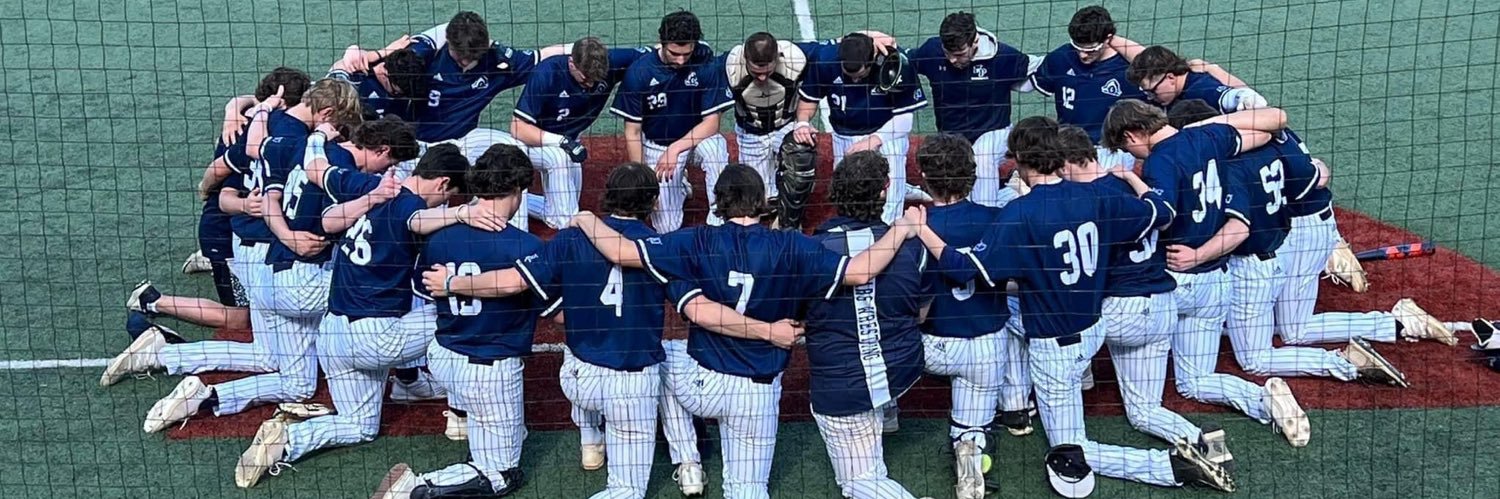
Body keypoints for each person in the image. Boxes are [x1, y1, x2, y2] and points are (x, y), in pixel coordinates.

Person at [918, 116, 1232, 496]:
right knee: (1017, 320)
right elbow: (1160, 214)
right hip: (1095, 329)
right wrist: (1139, 185)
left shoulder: (1021, 213)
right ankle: (1205, 442)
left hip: (1055, 345)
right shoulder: (1096, 194)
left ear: (1019, 161)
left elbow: (965, 269)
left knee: (1069, 450)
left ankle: (1169, 467)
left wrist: (919, 229)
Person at [568, 164, 922, 498]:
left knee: (652, 362)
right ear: (761, 199)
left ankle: (687, 459)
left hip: (700, 383)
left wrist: (585, 217)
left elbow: (620, 251)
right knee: (746, 490)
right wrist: (901, 230)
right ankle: (691, 460)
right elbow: (860, 272)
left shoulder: (696, 240)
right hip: (756, 396)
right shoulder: (791, 244)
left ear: (718, 201)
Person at [234, 138, 481, 488]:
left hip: (332, 336)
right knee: (457, 311)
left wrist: (319, 137)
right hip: (376, 340)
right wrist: (461, 213)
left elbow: (325, 210)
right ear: (442, 183)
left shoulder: (370, 186)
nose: (446, 201)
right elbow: (416, 219)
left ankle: (286, 441)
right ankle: (459, 414)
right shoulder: (412, 207)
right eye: (449, 195)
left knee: (360, 426)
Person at [908, 135, 1032, 497]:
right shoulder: (997, 220)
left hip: (929, 348)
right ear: (972, 176)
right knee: (972, 421)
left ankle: (886, 414)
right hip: (985, 346)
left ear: (924, 178)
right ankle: (971, 444)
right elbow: (1014, 281)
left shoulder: (910, 227)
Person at [609, 10, 732, 230]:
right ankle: (680, 186)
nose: (681, 60)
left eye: (687, 53)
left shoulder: (705, 61)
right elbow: (633, 132)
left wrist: (675, 149)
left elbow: (712, 123)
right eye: (674, 53)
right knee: (666, 229)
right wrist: (643, 182)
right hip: (657, 145)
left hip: (695, 140)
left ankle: (717, 224)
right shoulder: (640, 73)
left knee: (716, 149)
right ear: (661, 43)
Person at [510, 38, 650, 229]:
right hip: (533, 142)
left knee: (563, 211)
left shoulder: (612, 62)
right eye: (585, 78)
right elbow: (518, 127)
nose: (590, 85)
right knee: (565, 218)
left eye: (595, 80)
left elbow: (655, 54)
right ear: (571, 62)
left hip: (570, 143)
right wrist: (562, 142)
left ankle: (508, 199)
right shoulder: (547, 73)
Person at [796, 32, 930, 223]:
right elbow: (808, 100)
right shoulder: (826, 59)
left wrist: (873, 140)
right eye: (850, 75)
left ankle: (890, 224)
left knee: (889, 189)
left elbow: (905, 119)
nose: (856, 80)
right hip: (844, 133)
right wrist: (802, 122)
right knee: (846, 192)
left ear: (872, 60)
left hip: (887, 132)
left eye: (860, 75)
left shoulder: (896, 63)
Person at [907, 11, 1038, 207]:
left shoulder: (1002, 57)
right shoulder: (932, 51)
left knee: (982, 155)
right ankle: (1011, 192)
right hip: (953, 139)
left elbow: (1041, 66)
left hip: (995, 133)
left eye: (959, 54)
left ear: (975, 41)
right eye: (947, 53)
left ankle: (983, 220)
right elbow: (904, 58)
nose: (952, 60)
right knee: (955, 197)